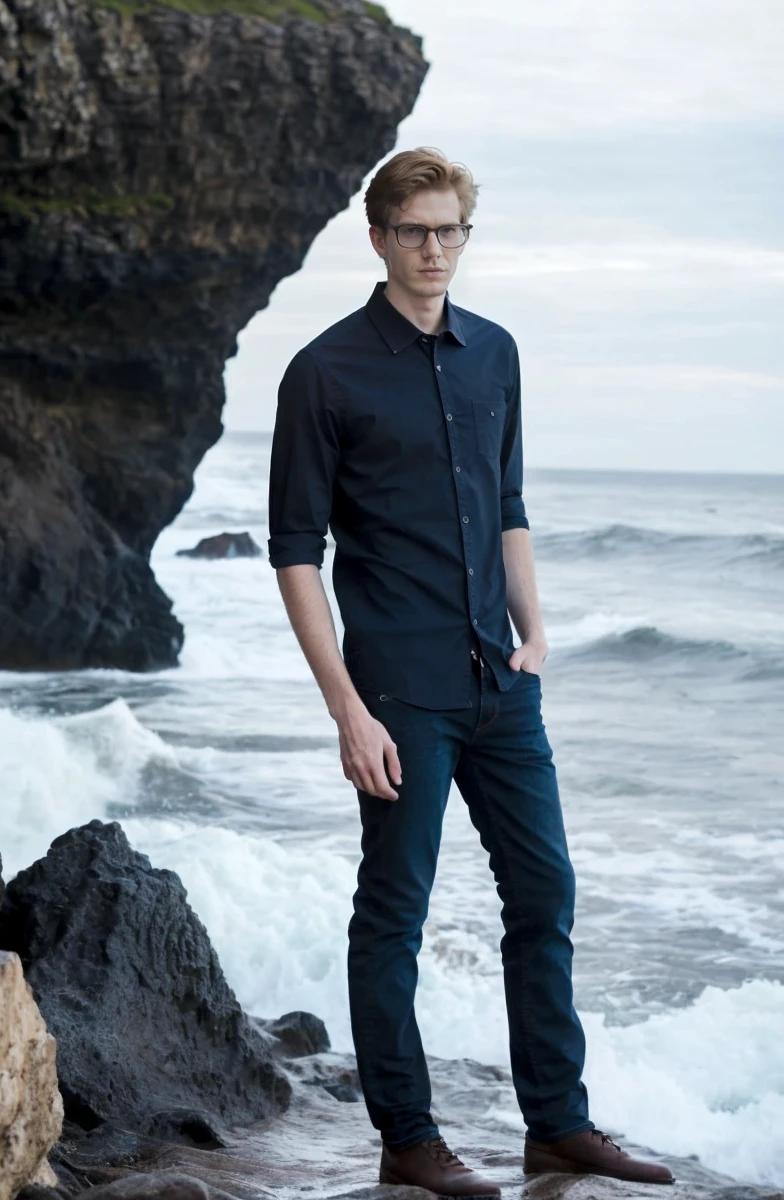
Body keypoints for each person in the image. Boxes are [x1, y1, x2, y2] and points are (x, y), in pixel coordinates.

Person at [266, 146, 675, 1196]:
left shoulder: (495, 353)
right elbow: (295, 554)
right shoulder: (323, 371)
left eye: (450, 229)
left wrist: (535, 634)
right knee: (393, 911)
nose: (434, 248)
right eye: (414, 230)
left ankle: (558, 1125)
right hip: (398, 692)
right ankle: (407, 1139)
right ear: (378, 239)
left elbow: (506, 508)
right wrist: (346, 712)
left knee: (543, 892)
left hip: (501, 683)